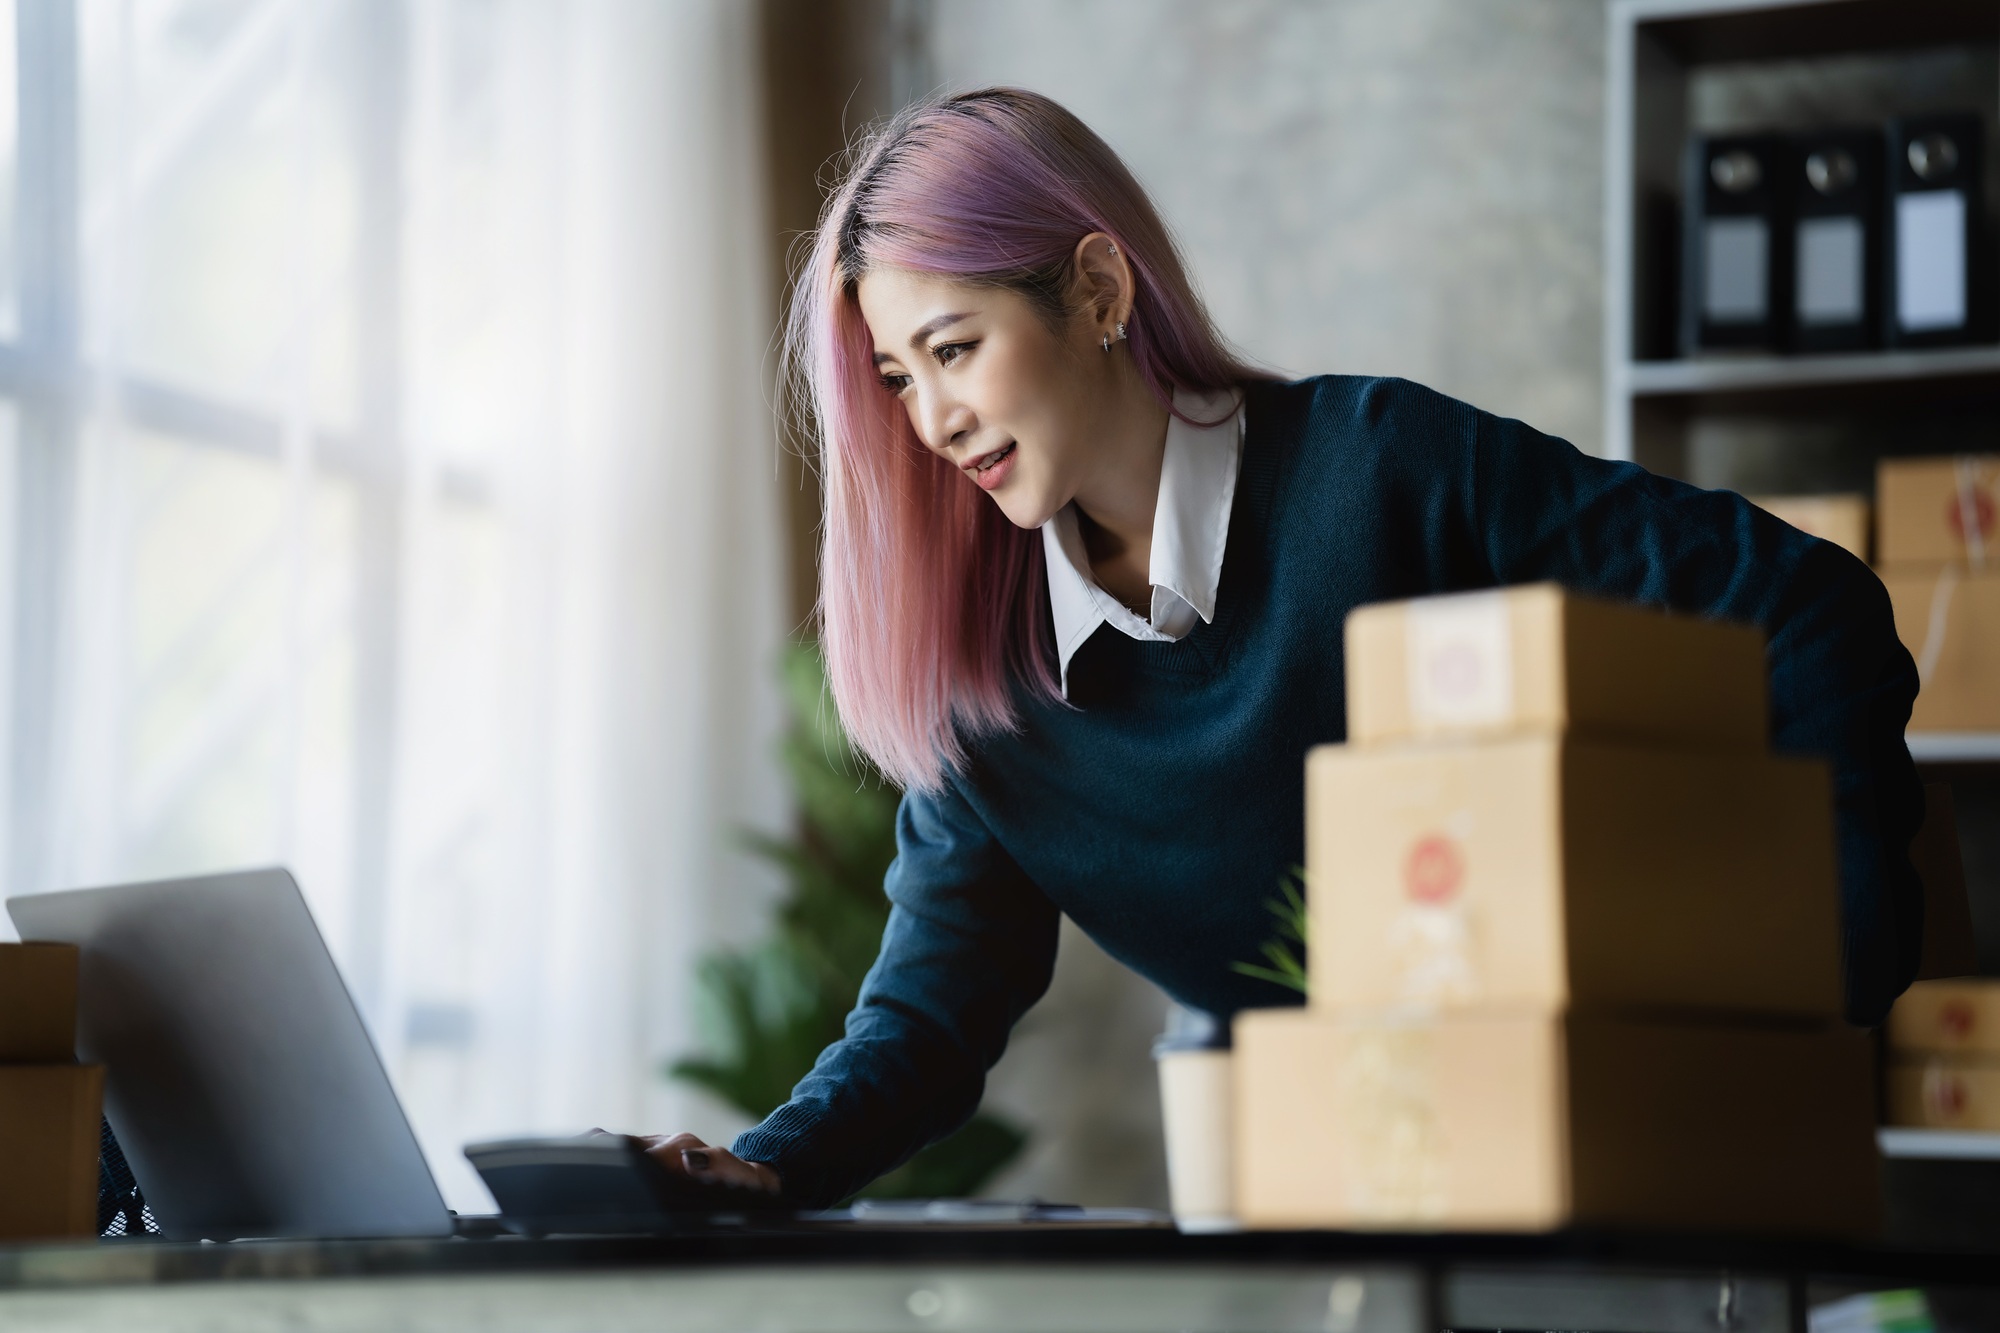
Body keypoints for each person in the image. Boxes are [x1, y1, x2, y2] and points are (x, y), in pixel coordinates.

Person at [638, 87, 1926, 1207]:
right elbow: (928, 1013)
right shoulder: (985, 685)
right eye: (899, 379)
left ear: (1097, 290)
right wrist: (770, 1165)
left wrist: (1826, 975)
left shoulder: (1383, 472)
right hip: (1328, 1188)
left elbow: (1807, 606)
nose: (933, 420)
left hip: (1616, 1161)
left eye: (955, 350)